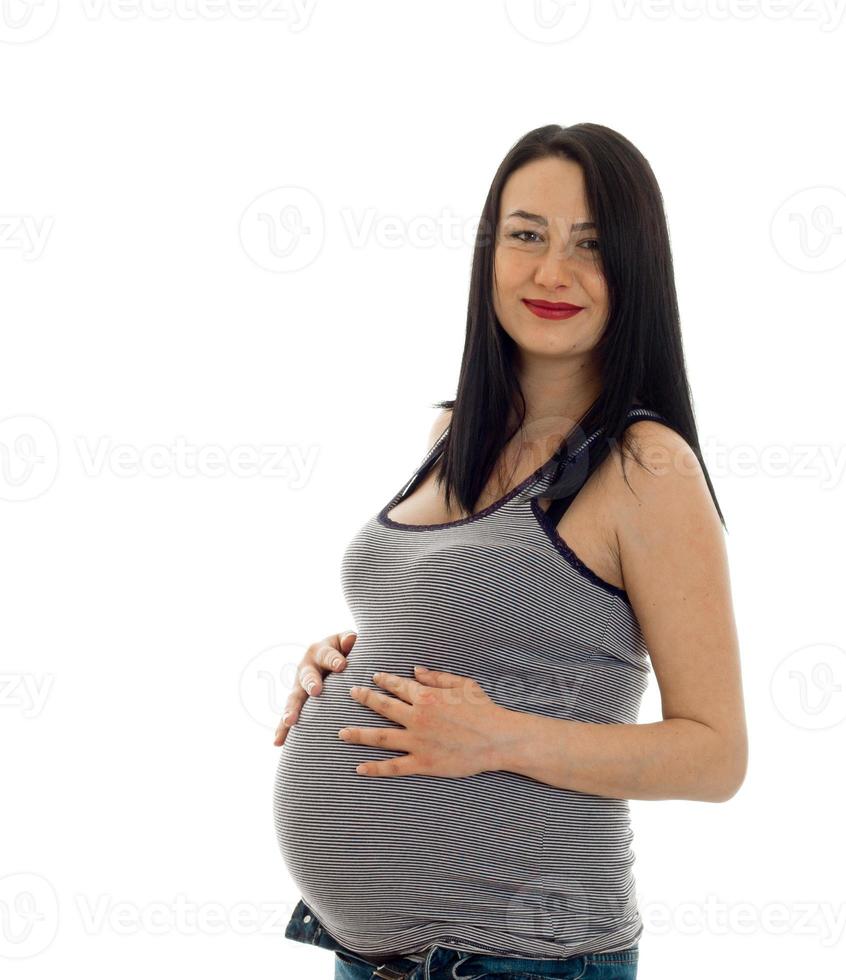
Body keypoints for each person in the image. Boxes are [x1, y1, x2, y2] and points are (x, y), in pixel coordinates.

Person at [271, 122, 746, 980]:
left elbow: (716, 755)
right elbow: (467, 614)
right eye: (527, 235)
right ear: (489, 252)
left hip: (522, 958)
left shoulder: (648, 467)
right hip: (376, 957)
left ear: (636, 270)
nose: (552, 272)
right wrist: (349, 662)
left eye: (591, 246)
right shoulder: (452, 432)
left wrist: (497, 739)